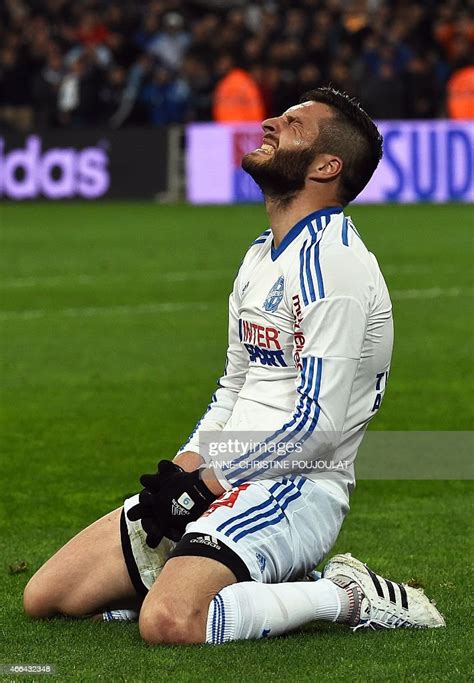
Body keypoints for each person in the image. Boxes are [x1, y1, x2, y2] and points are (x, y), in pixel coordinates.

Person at [23, 87, 445, 643]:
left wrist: (209, 482)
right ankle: (248, 573)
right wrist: (184, 469)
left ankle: (344, 594)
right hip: (227, 470)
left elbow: (317, 429)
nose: (269, 123)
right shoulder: (259, 255)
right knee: (48, 597)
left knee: (170, 622)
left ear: (326, 166)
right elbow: (235, 385)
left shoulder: (335, 265)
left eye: (293, 124)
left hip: (297, 486)